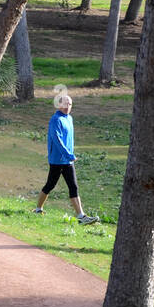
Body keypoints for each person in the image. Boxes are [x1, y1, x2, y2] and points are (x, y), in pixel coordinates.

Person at [34, 91, 98, 224]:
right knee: (50, 185)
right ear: (58, 105)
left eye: (70, 104)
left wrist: (69, 155)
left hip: (68, 160)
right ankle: (38, 209)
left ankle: (81, 216)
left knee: (73, 186)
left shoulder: (69, 118)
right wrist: (68, 154)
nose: (67, 106)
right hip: (57, 160)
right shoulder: (55, 120)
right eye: (65, 104)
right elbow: (57, 140)